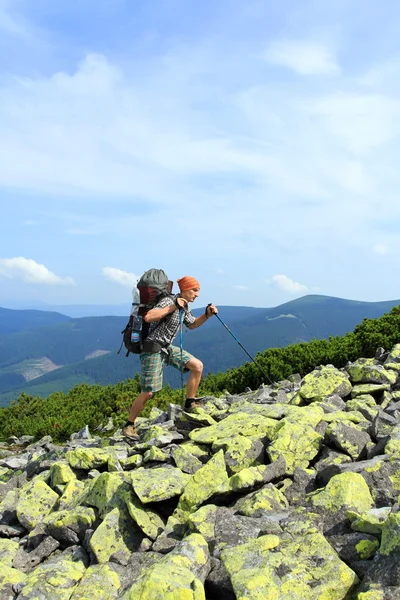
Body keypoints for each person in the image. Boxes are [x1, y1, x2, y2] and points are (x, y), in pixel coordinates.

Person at [122, 276, 218, 439]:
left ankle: (189, 403)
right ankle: (129, 425)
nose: (197, 294)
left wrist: (207, 315)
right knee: (148, 392)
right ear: (185, 290)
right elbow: (149, 316)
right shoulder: (168, 301)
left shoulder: (185, 306)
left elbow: (192, 324)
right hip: (152, 347)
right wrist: (174, 306)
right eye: (194, 290)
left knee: (197, 366)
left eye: (198, 291)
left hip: (166, 347)